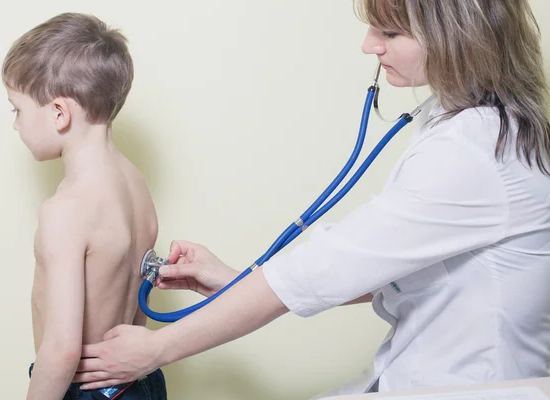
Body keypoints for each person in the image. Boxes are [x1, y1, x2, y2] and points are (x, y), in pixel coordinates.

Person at [74, 0, 550, 398]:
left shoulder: (474, 152)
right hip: (420, 374)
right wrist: (234, 280)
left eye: (391, 32)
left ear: (460, 35)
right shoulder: (464, 121)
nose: (369, 46)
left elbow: (331, 264)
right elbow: (396, 268)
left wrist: (157, 349)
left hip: (472, 384)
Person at [2, 12, 167, 400]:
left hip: (83, 390)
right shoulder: (135, 182)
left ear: (59, 113)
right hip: (138, 382)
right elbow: (136, 304)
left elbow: (61, 352)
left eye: (17, 110)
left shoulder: (65, 211)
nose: (16, 125)